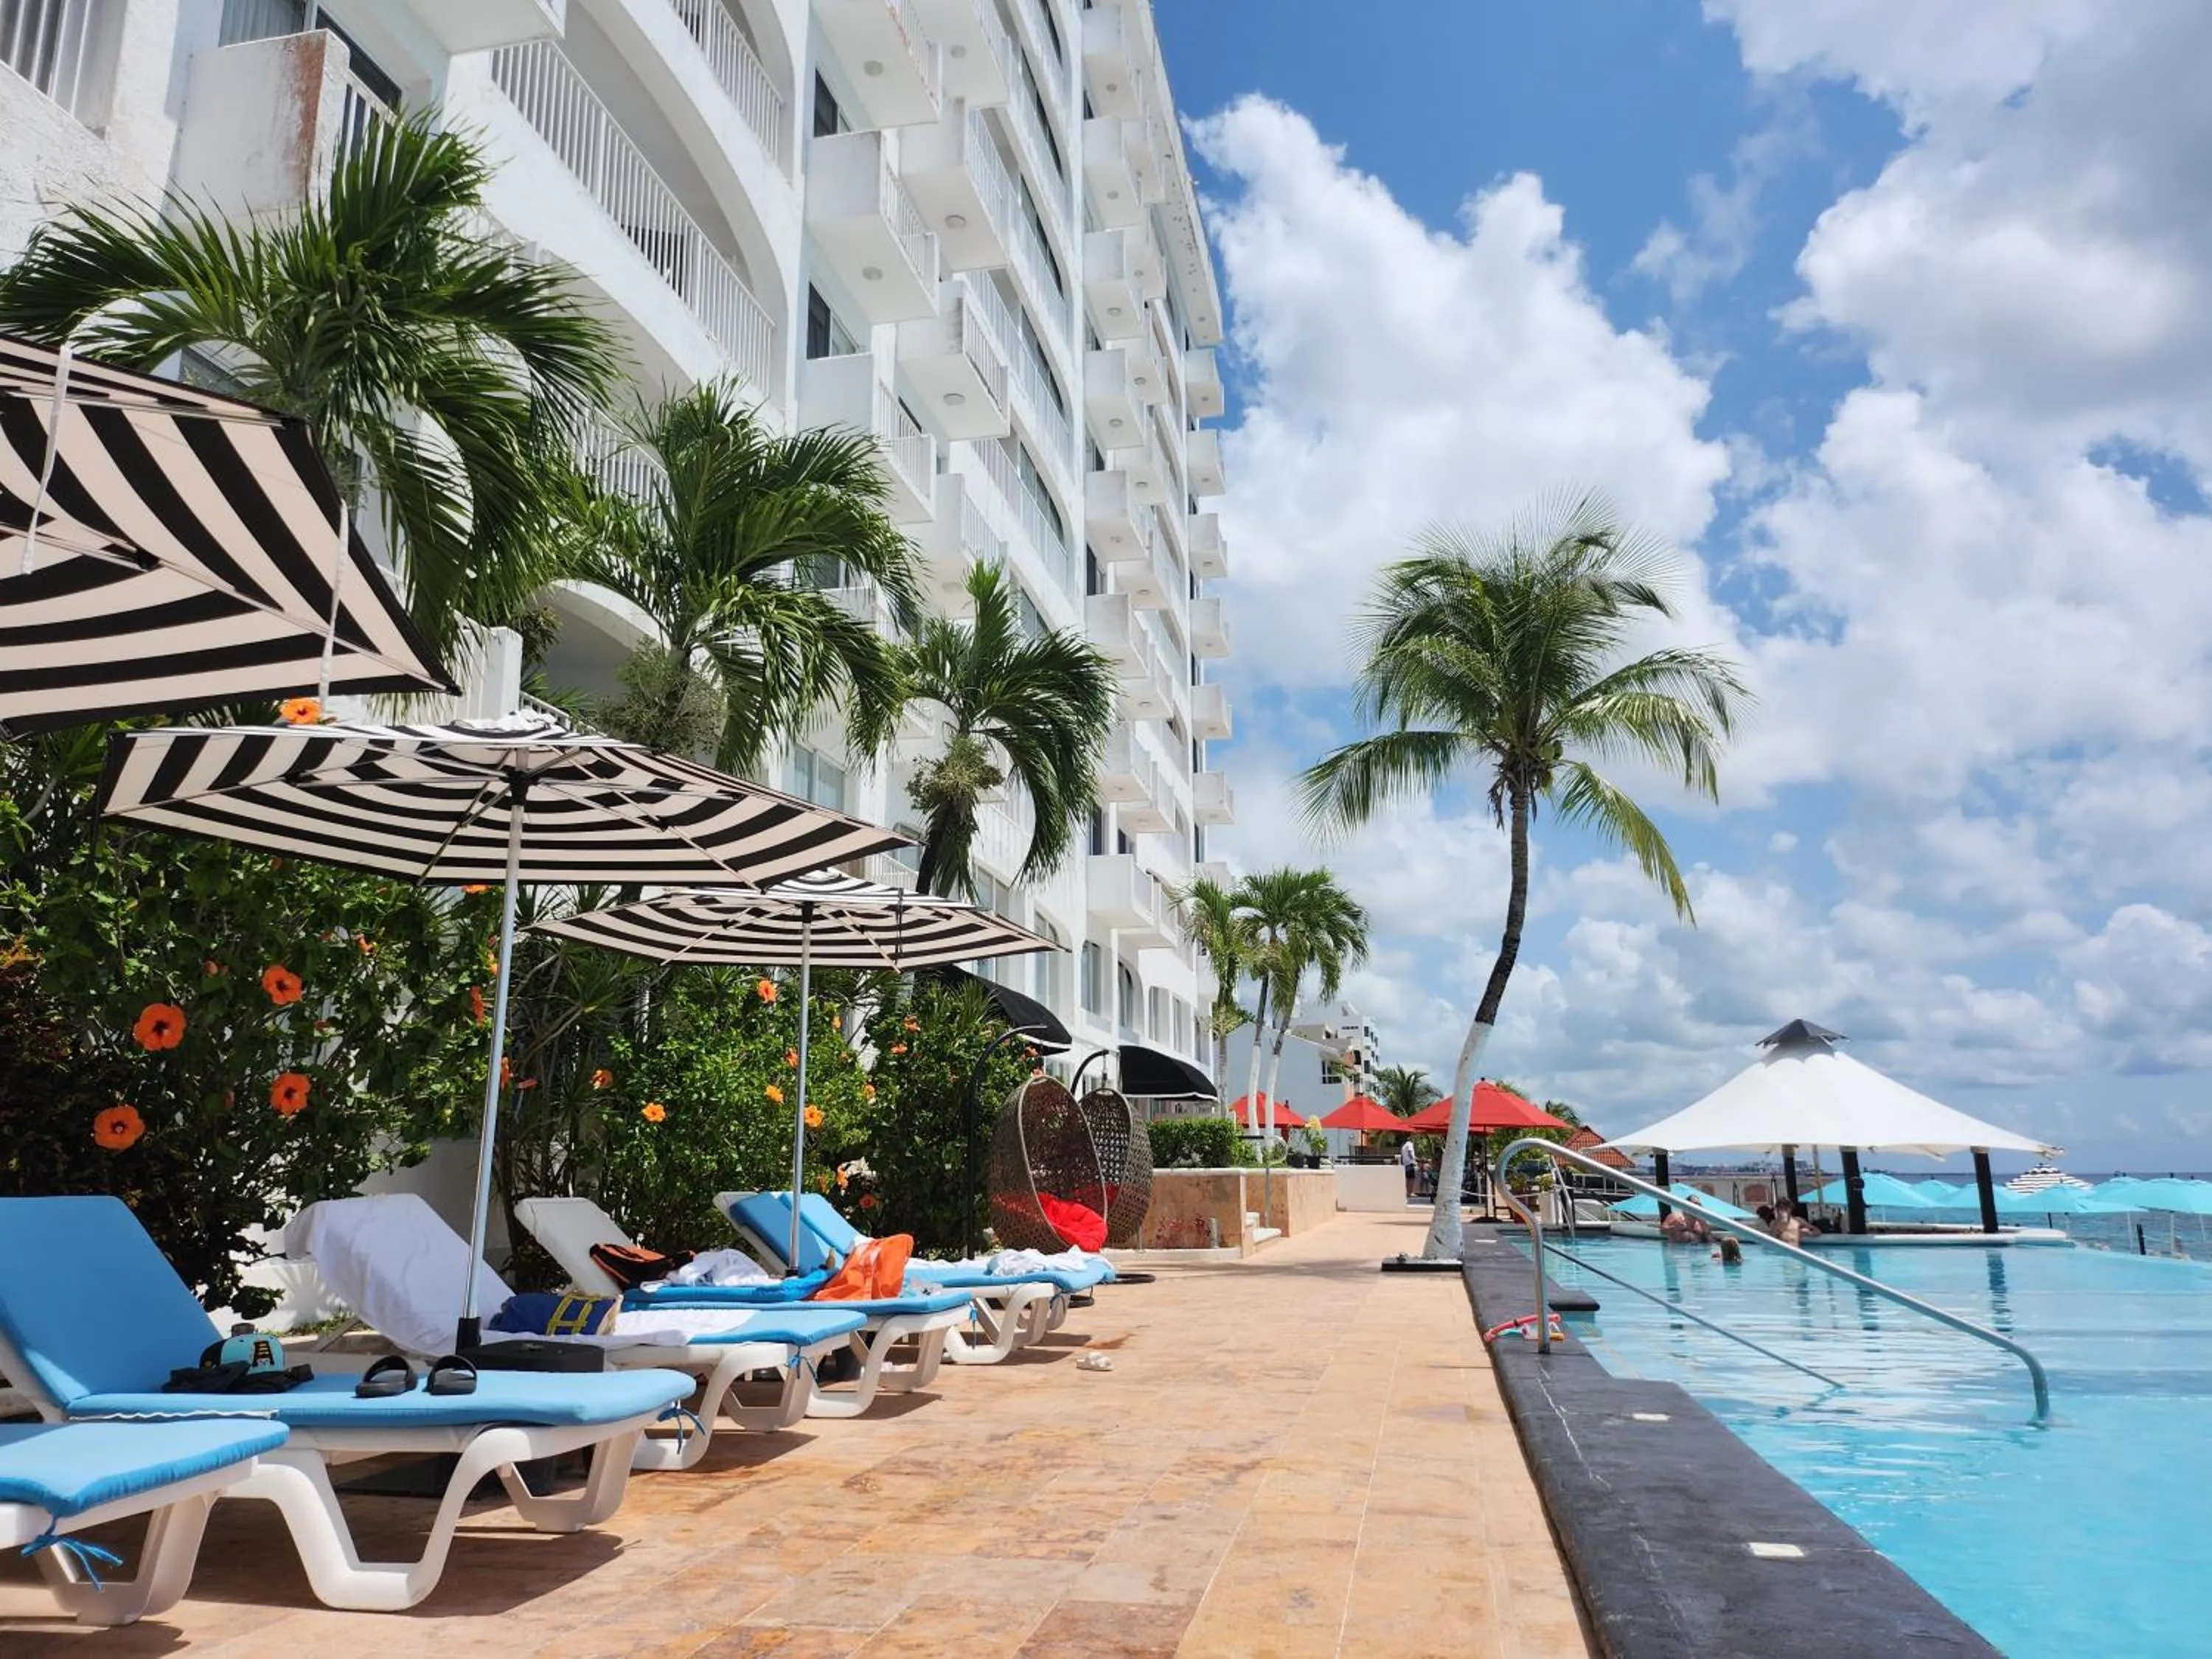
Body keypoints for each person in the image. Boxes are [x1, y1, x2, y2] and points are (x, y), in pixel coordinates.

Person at [1399, 1136, 1417, 1201]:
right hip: (1410, 1163)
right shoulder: (1410, 1144)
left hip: (1405, 1164)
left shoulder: (1404, 1146)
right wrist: (1414, 1159)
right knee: (1411, 1179)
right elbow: (1410, 1153)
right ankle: (1411, 1192)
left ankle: (1407, 1192)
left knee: (1407, 1179)